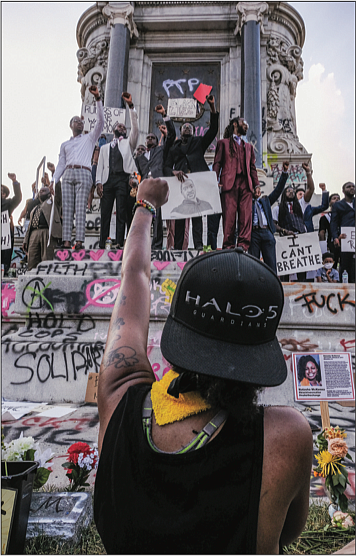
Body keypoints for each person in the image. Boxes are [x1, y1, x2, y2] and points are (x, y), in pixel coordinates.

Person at [94, 177, 313, 554]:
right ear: (259, 357)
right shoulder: (286, 435)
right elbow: (287, 534)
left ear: (180, 327)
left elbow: (135, 277)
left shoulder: (118, 392)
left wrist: (145, 206)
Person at [51, 85, 104, 250]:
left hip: (83, 172)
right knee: (67, 208)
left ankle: (79, 242)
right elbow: (61, 163)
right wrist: (54, 181)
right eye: (76, 121)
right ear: (70, 125)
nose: (79, 122)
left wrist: (98, 99)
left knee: (80, 207)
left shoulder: (89, 139)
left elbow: (101, 121)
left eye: (81, 121)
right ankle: (67, 241)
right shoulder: (65, 144)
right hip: (67, 173)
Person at [164, 94, 219, 250]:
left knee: (197, 216)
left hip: (197, 181)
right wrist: (174, 172)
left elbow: (213, 129)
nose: (187, 127)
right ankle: (180, 247)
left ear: (194, 132)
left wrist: (212, 107)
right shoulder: (174, 147)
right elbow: (166, 166)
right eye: (184, 127)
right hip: (179, 183)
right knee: (180, 216)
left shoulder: (198, 143)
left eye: (190, 127)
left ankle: (199, 246)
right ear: (180, 132)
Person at [96, 92, 139, 249]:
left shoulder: (129, 143)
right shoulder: (105, 147)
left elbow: (135, 127)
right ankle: (102, 243)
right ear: (113, 130)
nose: (121, 127)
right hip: (108, 181)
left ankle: (120, 242)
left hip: (123, 179)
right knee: (105, 213)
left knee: (121, 211)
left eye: (123, 126)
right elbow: (100, 165)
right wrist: (99, 182)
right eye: (118, 126)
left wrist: (131, 107)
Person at [213, 117, 259, 251]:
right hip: (229, 184)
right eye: (243, 123)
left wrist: (256, 185)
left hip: (246, 184)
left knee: (246, 216)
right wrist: (214, 181)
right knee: (229, 216)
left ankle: (243, 245)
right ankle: (228, 245)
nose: (246, 126)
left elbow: (252, 168)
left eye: (247, 124)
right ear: (235, 124)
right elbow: (217, 163)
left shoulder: (249, 147)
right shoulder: (223, 143)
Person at [135, 104, 176, 249]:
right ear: (145, 141)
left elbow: (171, 135)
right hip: (145, 188)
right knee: (144, 217)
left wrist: (165, 116)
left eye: (153, 137)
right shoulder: (139, 157)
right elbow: (136, 172)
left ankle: (157, 245)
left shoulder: (160, 150)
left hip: (157, 186)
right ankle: (143, 244)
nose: (151, 139)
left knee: (157, 217)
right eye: (148, 138)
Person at [249, 161, 289, 272]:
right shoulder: (246, 203)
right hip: (253, 233)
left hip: (267, 232)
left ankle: (273, 285)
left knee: (271, 264)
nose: (258, 191)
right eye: (255, 188)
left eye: (259, 189)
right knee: (253, 263)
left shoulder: (265, 201)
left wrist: (284, 173)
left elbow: (278, 191)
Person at [23, 183, 62, 271]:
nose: (41, 191)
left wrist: (54, 177)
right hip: (34, 233)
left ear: (49, 193)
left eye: (44, 190)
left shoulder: (53, 203)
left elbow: (59, 193)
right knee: (32, 258)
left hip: (47, 231)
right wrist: (26, 240)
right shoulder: (35, 207)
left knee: (47, 258)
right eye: (40, 191)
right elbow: (30, 226)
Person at [330, 182, 355, 283]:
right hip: (346, 238)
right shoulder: (338, 205)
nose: (352, 188)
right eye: (349, 187)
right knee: (345, 264)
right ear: (343, 191)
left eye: (353, 186)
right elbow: (334, 222)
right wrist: (336, 237)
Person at [1, 174, 22, 276]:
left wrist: (14, 181)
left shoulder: (8, 203)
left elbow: (18, 198)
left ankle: (4, 272)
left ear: (4, 194)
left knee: (5, 257)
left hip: (4, 235)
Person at [318, 191, 341, 269]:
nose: (337, 200)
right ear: (329, 202)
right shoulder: (325, 217)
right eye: (334, 198)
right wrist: (323, 247)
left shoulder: (345, 215)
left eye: (338, 198)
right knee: (332, 266)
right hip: (331, 244)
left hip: (345, 243)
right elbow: (322, 233)